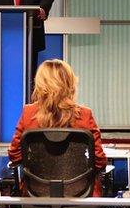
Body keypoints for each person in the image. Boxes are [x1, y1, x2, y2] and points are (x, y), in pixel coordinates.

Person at [7, 59, 107, 196]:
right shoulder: (85, 115)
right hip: (81, 192)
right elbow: (100, 161)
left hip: (36, 192)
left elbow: (14, 156)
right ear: (70, 83)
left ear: (40, 84)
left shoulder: (28, 113)